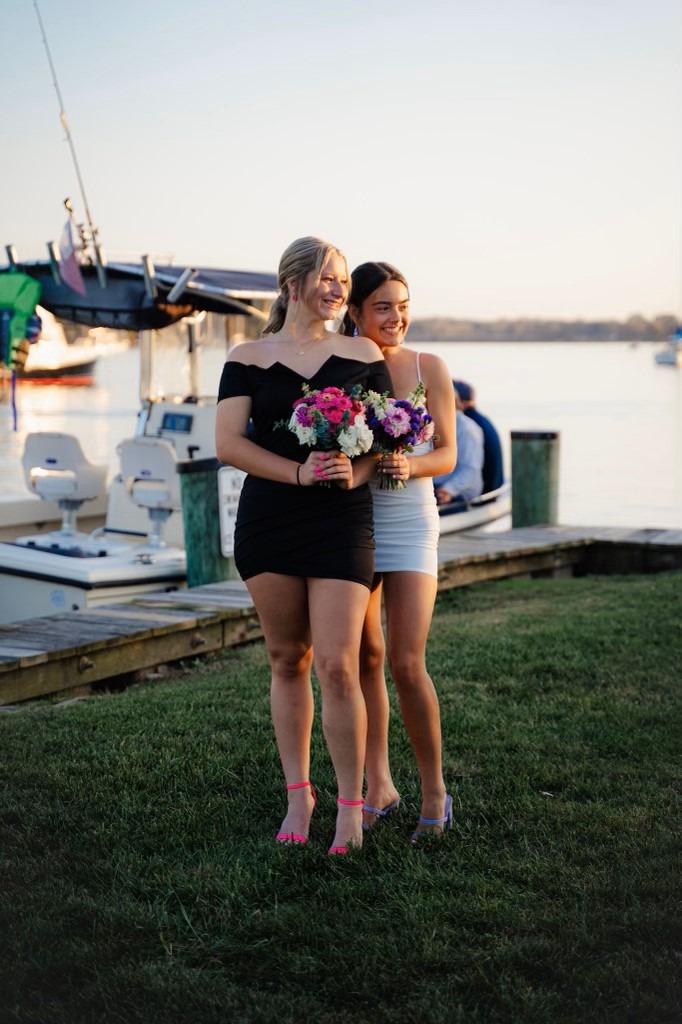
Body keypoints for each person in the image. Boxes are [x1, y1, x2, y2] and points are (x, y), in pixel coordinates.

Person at [215, 237, 393, 855]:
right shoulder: (247, 356)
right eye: (327, 277)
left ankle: (350, 806)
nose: (338, 288)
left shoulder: (362, 351)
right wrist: (296, 472)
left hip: (342, 522)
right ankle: (299, 795)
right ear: (293, 283)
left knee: (338, 665)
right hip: (269, 520)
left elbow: (381, 444)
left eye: (342, 279)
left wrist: (358, 471)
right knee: (287, 658)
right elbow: (229, 445)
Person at [343, 261, 457, 842]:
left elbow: (447, 456)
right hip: (354, 524)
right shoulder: (339, 366)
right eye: (383, 306)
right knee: (363, 658)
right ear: (356, 311)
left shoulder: (428, 367)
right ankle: (379, 785)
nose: (396, 317)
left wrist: (410, 464)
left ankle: (435, 791)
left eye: (403, 304)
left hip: (411, 522)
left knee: (406, 663)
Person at [433, 386, 484, 506]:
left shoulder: (467, 429)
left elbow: (471, 469)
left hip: (460, 493)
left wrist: (448, 490)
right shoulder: (439, 424)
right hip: (439, 485)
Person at [453, 380, 504, 494]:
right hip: (493, 487)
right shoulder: (482, 420)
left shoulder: (467, 424)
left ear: (460, 401)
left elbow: (471, 468)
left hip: (482, 492)